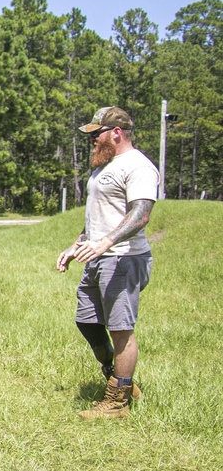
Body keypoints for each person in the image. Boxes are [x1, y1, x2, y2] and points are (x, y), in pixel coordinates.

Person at [57, 106, 158, 420]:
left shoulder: (138, 166)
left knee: (120, 330)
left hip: (124, 258)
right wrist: (77, 245)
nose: (92, 141)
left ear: (115, 132)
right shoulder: (104, 166)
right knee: (87, 321)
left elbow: (140, 214)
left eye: (95, 134)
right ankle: (117, 376)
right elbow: (98, 217)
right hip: (99, 256)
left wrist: (106, 242)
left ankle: (117, 402)